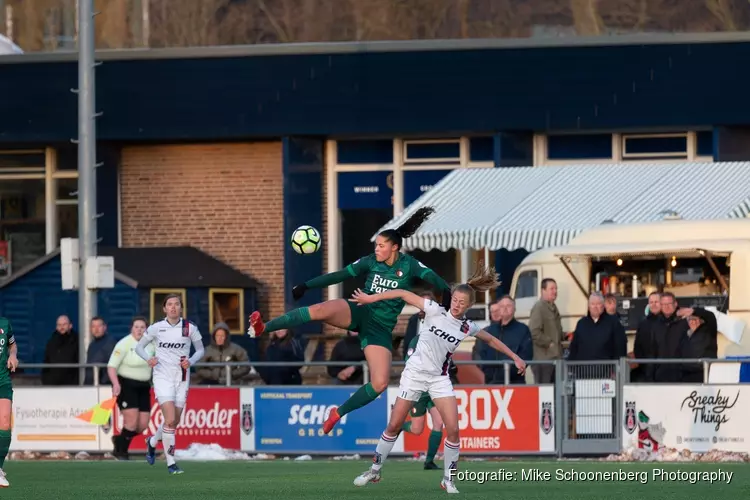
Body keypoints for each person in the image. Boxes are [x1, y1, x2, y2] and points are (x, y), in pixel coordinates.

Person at [247, 207, 451, 433]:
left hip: (380, 329)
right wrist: (307, 285)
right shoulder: (371, 261)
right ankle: (263, 327)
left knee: (380, 383)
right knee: (320, 309)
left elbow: (437, 281)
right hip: (360, 309)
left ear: (395, 247)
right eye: (376, 245)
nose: (376, 249)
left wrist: (448, 300)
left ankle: (338, 412)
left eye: (381, 246)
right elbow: (340, 275)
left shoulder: (409, 265)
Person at [348, 264, 526, 494]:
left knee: (453, 429)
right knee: (393, 425)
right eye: (455, 299)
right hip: (414, 375)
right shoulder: (434, 310)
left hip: (439, 379)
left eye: (462, 302)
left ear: (469, 305)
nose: (457, 304)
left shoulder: (466, 327)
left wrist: (515, 357)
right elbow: (403, 294)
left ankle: (448, 479)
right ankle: (374, 470)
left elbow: (491, 340)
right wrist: (371, 298)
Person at [135, 294, 205, 474]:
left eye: (176, 304)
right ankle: (171, 463)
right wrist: (148, 359)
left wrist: (191, 361)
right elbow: (139, 348)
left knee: (173, 421)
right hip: (162, 377)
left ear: (181, 308)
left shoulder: (190, 328)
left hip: (181, 378)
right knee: (171, 419)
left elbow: (200, 350)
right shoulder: (157, 328)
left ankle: (151, 442)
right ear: (164, 309)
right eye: (170, 304)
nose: (173, 307)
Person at [107, 316, 154, 460]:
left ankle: (119, 440)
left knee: (142, 425)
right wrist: (115, 383)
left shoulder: (151, 344)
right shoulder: (124, 344)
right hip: (126, 385)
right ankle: (122, 452)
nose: (139, 330)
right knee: (131, 422)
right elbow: (111, 366)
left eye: (142, 327)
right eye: (136, 327)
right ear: (131, 328)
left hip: (144, 385)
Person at [401, 333, 447, 470]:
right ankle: (398, 425)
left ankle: (429, 461)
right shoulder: (417, 340)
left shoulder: (442, 339)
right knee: (416, 429)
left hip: (434, 387)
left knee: (439, 422)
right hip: (419, 389)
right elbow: (409, 361)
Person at [0, 316, 18, 488]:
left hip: (2, 380)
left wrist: (12, 355)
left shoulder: (5, 323)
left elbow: (12, 345)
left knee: (5, 423)